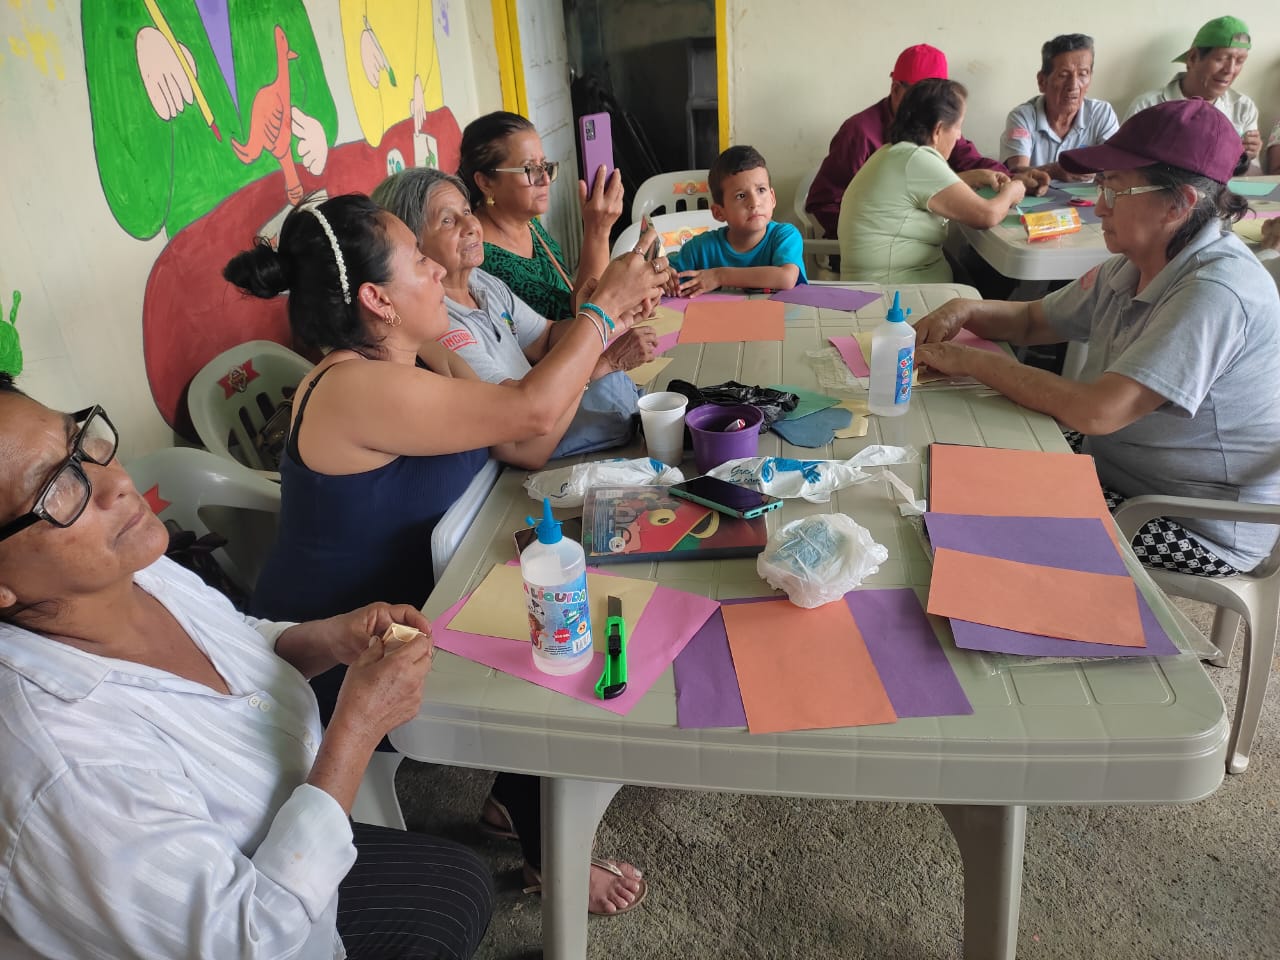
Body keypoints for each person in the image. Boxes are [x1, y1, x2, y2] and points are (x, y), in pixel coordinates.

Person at [225, 194, 660, 916]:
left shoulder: (424, 355)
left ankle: (517, 804)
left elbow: (522, 440)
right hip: (338, 654)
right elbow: (529, 411)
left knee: (574, 603)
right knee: (552, 647)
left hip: (427, 594)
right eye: (419, 261)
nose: (438, 269)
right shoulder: (352, 388)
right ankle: (545, 848)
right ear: (377, 299)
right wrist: (602, 308)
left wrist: (596, 354)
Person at [0, 377, 494, 959]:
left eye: (81, 441)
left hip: (280, 838)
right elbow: (249, 939)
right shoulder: (66, 769)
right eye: (56, 487)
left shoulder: (129, 571)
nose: (116, 483)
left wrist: (325, 639)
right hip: (264, 920)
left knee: (460, 884)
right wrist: (359, 728)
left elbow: (234, 638)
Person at [916, 100, 1280, 577]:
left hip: (1187, 518)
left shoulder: (1215, 292)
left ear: (1180, 203)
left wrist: (974, 362)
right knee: (958, 458)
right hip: (1117, 466)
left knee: (979, 516)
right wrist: (965, 309)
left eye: (1116, 189)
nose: (1099, 205)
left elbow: (1098, 411)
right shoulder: (1135, 264)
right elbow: (1031, 321)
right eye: (1102, 185)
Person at [372, 167, 660, 460]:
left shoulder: (480, 282)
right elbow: (522, 422)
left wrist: (610, 316)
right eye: (447, 220)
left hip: (552, 419)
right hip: (530, 448)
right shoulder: (436, 325)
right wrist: (603, 333)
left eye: (467, 211)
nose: (471, 225)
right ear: (412, 248)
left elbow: (546, 338)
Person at [805, 44, 1049, 240]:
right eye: (921, 96)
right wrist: (873, 232)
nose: (932, 107)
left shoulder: (932, 128)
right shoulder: (861, 133)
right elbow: (823, 202)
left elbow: (969, 162)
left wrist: (1014, 177)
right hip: (869, 244)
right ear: (896, 90)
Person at [837, 79, 1026, 284]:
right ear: (938, 130)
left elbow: (917, 192)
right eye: (958, 126)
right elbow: (986, 215)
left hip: (885, 282)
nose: (959, 136)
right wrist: (1013, 190)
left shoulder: (894, 153)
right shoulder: (916, 159)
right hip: (894, 290)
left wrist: (973, 177)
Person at [458, 111, 622, 321]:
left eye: (544, 166)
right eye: (529, 169)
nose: (545, 179)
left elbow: (571, 297)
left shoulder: (529, 225)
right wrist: (597, 230)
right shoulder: (482, 258)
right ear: (485, 182)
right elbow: (590, 320)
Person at [1125, 16, 1260, 176]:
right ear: (1193, 57)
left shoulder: (1243, 107)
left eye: (1239, 61)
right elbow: (1124, 168)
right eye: (1221, 59)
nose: (1230, 70)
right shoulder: (1148, 106)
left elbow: (1254, 177)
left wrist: (1247, 159)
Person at [664, 145, 806, 296]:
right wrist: (665, 278)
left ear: (772, 198)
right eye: (741, 196)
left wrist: (719, 276)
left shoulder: (785, 236)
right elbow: (665, 276)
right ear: (719, 212)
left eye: (761, 190)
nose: (755, 203)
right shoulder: (699, 249)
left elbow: (786, 278)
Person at [1001, 34, 1119, 182]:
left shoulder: (1102, 113)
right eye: (1063, 75)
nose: (1073, 85)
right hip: (1035, 196)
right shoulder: (1023, 117)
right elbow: (1016, 172)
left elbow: (1116, 169)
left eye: (1083, 74)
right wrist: (1054, 171)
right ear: (1042, 81)